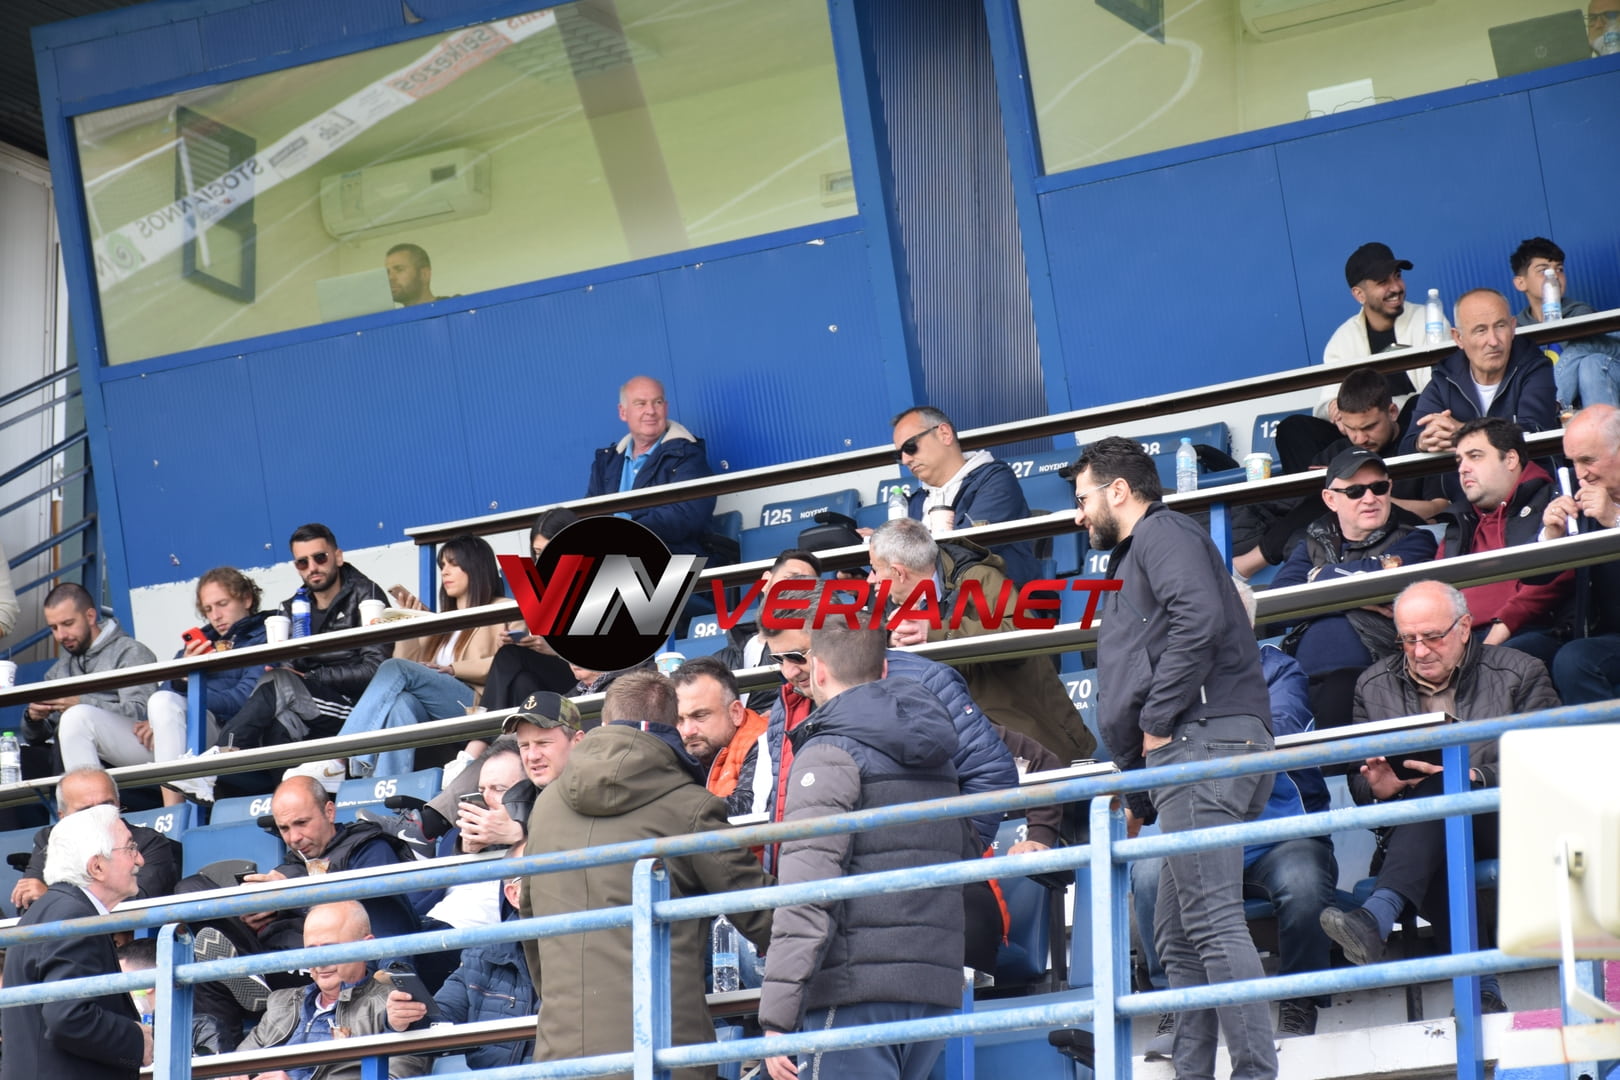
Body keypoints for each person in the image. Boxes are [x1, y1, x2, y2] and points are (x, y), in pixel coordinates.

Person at [1068, 435, 1277, 1080]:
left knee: (1209, 921)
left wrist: (1158, 722)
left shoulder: (1163, 533)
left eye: (1083, 498)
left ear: (1119, 490)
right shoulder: (1146, 549)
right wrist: (1140, 786)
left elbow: (1200, 620)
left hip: (1200, 742)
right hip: (1191, 749)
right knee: (1179, 936)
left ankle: (1255, 1073)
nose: (1078, 515)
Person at [518, 671, 773, 1080]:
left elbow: (530, 927)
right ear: (672, 728)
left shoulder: (545, 808)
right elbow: (765, 916)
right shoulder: (690, 807)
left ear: (603, 723)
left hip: (560, 1055)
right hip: (662, 1052)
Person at [1320, 581, 1559, 1011]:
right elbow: (1361, 781)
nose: (1419, 651)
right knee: (1438, 819)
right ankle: (1482, 993)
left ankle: (1379, 915)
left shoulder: (1520, 670)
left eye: (1432, 637)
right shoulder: (1372, 684)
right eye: (1408, 639)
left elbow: (1548, 762)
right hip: (1420, 833)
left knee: (1442, 794)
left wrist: (1474, 776)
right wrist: (1378, 788)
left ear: (1464, 627)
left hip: (1507, 821)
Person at [759, 623, 973, 1080]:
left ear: (817, 669)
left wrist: (777, 1017)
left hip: (855, 989)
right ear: (883, 668)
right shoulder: (937, 750)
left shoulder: (827, 752)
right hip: (931, 986)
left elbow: (807, 893)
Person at [1132, 580, 1336, 1048]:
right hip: (1197, 827)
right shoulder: (1172, 678)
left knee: (1303, 882)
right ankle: (1177, 1004)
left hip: (1276, 833)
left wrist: (1192, 741)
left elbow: (1271, 730)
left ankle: (1300, 999)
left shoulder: (1278, 669)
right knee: (1146, 872)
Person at [869, 517, 1097, 763]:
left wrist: (934, 632)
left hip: (1028, 736)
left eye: (874, 569)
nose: (870, 580)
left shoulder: (979, 579)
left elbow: (1021, 632)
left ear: (898, 572)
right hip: (955, 743)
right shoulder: (888, 602)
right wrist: (892, 639)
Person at [310, 535, 517, 782]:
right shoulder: (440, 621)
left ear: (476, 566)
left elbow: (511, 663)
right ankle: (382, 789)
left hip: (475, 704)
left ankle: (338, 759)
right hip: (436, 705)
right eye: (442, 565)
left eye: (453, 564)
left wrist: (453, 668)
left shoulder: (504, 608)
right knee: (402, 704)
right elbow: (406, 667)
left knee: (395, 668)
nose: (445, 572)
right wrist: (408, 622)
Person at [1272, 448, 1438, 730]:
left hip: (1377, 672)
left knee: (1339, 689)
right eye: (1355, 491)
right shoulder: (1311, 545)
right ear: (1330, 499)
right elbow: (1279, 606)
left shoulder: (1415, 539)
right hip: (1300, 678)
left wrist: (1319, 579)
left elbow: (1385, 583)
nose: (1370, 498)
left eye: (1378, 487)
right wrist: (1356, 597)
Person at [216, 524, 391, 782]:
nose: (312, 567)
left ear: (338, 557)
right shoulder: (291, 607)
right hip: (310, 704)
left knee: (279, 682)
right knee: (281, 718)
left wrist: (313, 678)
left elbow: (377, 668)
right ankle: (286, 793)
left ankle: (218, 760)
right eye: (302, 562)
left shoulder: (367, 595)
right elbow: (290, 668)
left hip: (357, 706)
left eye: (320, 557)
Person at [1238, 368, 1449, 578]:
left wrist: (1371, 496)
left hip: (1403, 530)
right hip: (1343, 534)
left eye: (1369, 427)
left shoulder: (1416, 445)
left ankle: (1249, 563)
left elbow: (1440, 507)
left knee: (1337, 495)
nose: (1360, 438)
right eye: (1351, 429)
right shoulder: (1340, 450)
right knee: (1323, 501)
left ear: (1392, 412)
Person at [0, 804, 151, 1079]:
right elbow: (69, 1017)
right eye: (130, 848)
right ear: (97, 866)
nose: (139, 859)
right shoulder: (74, 917)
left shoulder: (54, 909)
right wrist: (136, 1040)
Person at [233, 901, 429, 1080]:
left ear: (367, 947)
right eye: (311, 951)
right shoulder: (281, 1003)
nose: (320, 961)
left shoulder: (394, 1005)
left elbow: (398, 1077)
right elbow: (233, 1068)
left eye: (330, 949)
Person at [385, 844, 535, 1069]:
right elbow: (438, 1024)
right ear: (514, 895)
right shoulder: (481, 956)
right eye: (541, 875)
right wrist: (406, 1018)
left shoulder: (586, 947)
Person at [1439, 417, 1572, 668]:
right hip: (1463, 641)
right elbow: (1437, 590)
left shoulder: (1551, 503)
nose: (1463, 468)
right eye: (1459, 461)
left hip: (1532, 633)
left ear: (1510, 459)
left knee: (1500, 663)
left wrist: (1490, 644)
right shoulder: (1461, 519)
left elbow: (1552, 581)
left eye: (1475, 456)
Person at [146, 567, 270, 805]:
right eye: (208, 609)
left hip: (230, 736)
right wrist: (155, 718)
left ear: (247, 599)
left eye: (222, 604)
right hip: (181, 738)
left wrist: (189, 687)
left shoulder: (264, 635)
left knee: (166, 704)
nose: (216, 616)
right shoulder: (199, 643)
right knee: (81, 718)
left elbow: (245, 699)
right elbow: (164, 693)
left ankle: (173, 812)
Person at [246, 776, 422, 942]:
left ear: (329, 812)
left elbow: (376, 922)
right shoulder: (288, 869)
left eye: (302, 823)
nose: (294, 838)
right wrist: (258, 917)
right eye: (284, 829)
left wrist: (292, 896)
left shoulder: (369, 850)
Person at [890, 405, 1040, 584]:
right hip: (932, 599)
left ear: (944, 434)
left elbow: (969, 549)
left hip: (997, 598)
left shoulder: (995, 479)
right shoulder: (913, 503)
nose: (905, 460)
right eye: (899, 455)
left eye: (910, 446)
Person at [1402, 289, 1558, 459]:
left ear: (1513, 327)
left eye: (1500, 326)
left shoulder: (1535, 367)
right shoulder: (1445, 378)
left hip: (1525, 474)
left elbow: (1534, 430)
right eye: (1480, 330)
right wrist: (1423, 441)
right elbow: (1406, 447)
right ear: (1458, 338)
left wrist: (1464, 432)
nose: (1493, 341)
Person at [25, 582, 159, 776]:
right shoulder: (57, 671)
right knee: (22, 757)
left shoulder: (130, 652)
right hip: (75, 755)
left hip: (137, 747)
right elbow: (37, 737)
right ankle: (73, 794)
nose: (61, 635)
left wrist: (81, 704)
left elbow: (141, 715)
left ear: (90, 616)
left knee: (76, 718)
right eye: (53, 628)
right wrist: (33, 719)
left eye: (68, 624)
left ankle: (87, 792)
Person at [11, 768, 181, 915]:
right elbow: (27, 903)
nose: (99, 815)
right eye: (86, 810)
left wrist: (51, 896)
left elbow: (140, 904)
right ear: (63, 817)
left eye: (106, 806)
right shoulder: (49, 839)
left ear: (118, 804)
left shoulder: (150, 842)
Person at [474, 508, 582, 731]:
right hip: (550, 679)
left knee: (510, 655)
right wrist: (522, 641)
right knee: (522, 681)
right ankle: (515, 742)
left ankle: (479, 741)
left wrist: (554, 650)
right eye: (538, 553)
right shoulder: (538, 584)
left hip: (583, 676)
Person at [1540, 403, 1620, 703]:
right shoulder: (1572, 488)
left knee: (1574, 660)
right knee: (1512, 655)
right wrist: (1550, 535)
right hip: (1594, 629)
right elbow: (1535, 579)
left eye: (1588, 460)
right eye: (1572, 461)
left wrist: (1615, 520)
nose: (1580, 474)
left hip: (1595, 640)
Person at [584, 375, 715, 557]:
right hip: (614, 559)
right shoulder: (606, 462)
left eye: (657, 402)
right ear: (623, 412)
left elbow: (686, 515)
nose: (651, 411)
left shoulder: (687, 455)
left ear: (666, 408)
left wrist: (624, 535)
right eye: (641, 404)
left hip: (675, 559)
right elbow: (589, 515)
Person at [1316, 242, 1439, 421]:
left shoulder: (1429, 319)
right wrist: (1334, 409)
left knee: (1416, 404)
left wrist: (1384, 411)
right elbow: (1326, 403)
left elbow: (1438, 391)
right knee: (1295, 426)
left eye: (1397, 276)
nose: (1396, 288)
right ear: (1359, 294)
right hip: (1363, 429)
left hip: (1417, 422)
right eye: (1383, 282)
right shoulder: (1343, 339)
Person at [1510, 236, 1620, 409]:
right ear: (1520, 283)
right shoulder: (1517, 329)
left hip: (1582, 400)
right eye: (1543, 270)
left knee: (1592, 363)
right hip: (1540, 405)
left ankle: (1554, 407)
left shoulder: (1580, 313)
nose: (1554, 276)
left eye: (1559, 269)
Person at [711, 549, 822, 710]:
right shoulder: (721, 660)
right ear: (766, 581)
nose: (797, 588)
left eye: (808, 584)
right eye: (791, 578)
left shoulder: (819, 652)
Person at [671, 656, 771, 817]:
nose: (688, 731)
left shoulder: (764, 740)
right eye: (679, 720)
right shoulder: (672, 752)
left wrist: (668, 811)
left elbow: (748, 808)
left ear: (736, 713)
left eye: (700, 716)